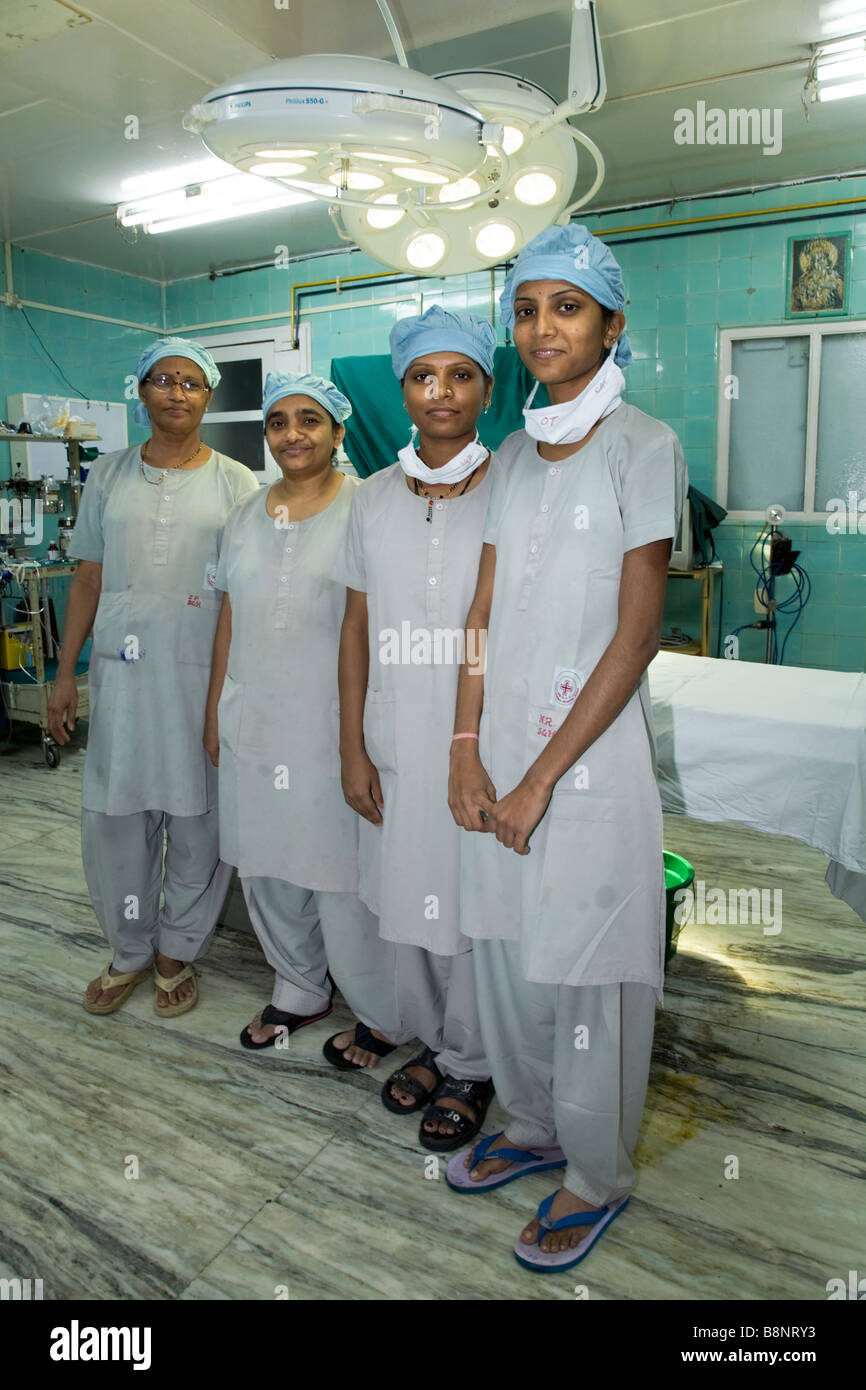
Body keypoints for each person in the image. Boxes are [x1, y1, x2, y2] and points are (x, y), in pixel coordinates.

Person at [447, 224, 688, 1270]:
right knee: (504, 949)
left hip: (584, 761)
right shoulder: (508, 452)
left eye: (566, 306)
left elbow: (635, 636)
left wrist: (543, 774)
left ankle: (593, 1171)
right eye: (526, 308)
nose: (541, 326)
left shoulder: (644, 444)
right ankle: (532, 1119)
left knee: (589, 969)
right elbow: (483, 607)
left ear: (608, 324)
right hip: (499, 742)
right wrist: (467, 744)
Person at [48, 337, 258, 1018]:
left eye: (191, 383)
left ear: (208, 395)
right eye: (162, 380)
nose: (176, 392)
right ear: (140, 392)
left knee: (198, 820)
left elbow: (247, 595)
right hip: (122, 679)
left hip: (203, 678)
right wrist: (62, 675)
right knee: (117, 817)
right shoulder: (107, 477)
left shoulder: (236, 483)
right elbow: (87, 576)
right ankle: (130, 950)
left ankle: (176, 951)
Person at [332, 306, 496, 1151]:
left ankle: (475, 1060)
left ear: (487, 388)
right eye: (425, 376)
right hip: (396, 735)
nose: (443, 391)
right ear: (402, 391)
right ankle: (435, 1042)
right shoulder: (372, 498)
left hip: (480, 741)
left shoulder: (515, 486)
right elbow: (356, 628)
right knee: (409, 895)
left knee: (472, 900)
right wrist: (353, 742)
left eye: (460, 374)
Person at [204, 372, 402, 1061]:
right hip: (253, 714)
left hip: (334, 726)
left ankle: (381, 1010)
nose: (293, 434)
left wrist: (367, 739)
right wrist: (214, 712)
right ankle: (298, 986)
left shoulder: (371, 508)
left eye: (310, 421)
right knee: (265, 865)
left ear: (339, 432)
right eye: (279, 422)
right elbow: (228, 616)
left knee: (340, 873)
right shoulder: (244, 517)